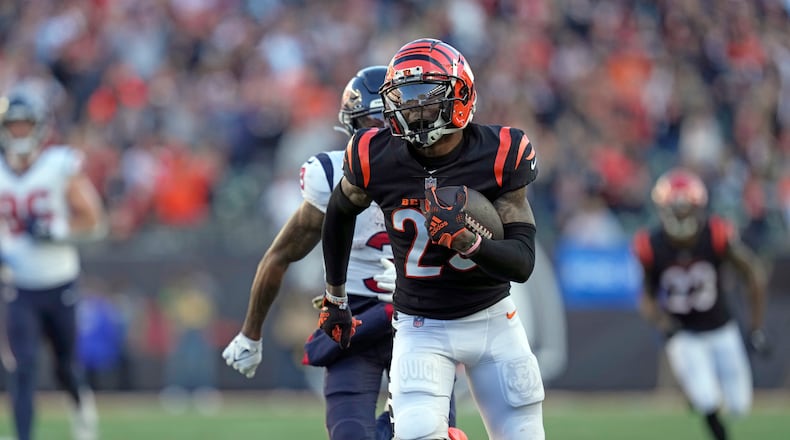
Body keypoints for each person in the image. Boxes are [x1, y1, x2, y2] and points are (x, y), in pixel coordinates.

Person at [317, 38, 545, 440]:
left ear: (459, 95)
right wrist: (336, 296)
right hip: (422, 325)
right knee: (417, 433)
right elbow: (339, 213)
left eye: (423, 97)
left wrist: (469, 243)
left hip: (492, 318)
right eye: (402, 97)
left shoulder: (501, 152)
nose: (410, 108)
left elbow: (523, 262)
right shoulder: (374, 154)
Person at [222, 65, 466, 440]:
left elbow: (479, 257)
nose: (380, 135)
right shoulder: (335, 175)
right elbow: (280, 255)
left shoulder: (439, 170)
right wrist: (250, 334)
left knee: (427, 433)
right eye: (372, 124)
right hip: (358, 322)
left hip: (416, 322)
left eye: (385, 123)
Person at [0, 83, 106, 440]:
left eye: (24, 125)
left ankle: (80, 407)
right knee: (23, 368)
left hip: (59, 282)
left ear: (39, 126)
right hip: (19, 286)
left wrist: (56, 230)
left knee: (65, 366)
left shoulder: (59, 164)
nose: (18, 132)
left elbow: (95, 220)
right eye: (12, 125)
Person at [632, 167, 770, 440]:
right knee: (707, 399)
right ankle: (710, 419)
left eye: (685, 208)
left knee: (740, 406)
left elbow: (753, 274)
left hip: (721, 327)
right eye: (676, 208)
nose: (681, 214)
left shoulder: (717, 234)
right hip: (684, 334)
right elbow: (646, 296)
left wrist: (756, 328)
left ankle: (696, 394)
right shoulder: (651, 245)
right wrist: (662, 322)